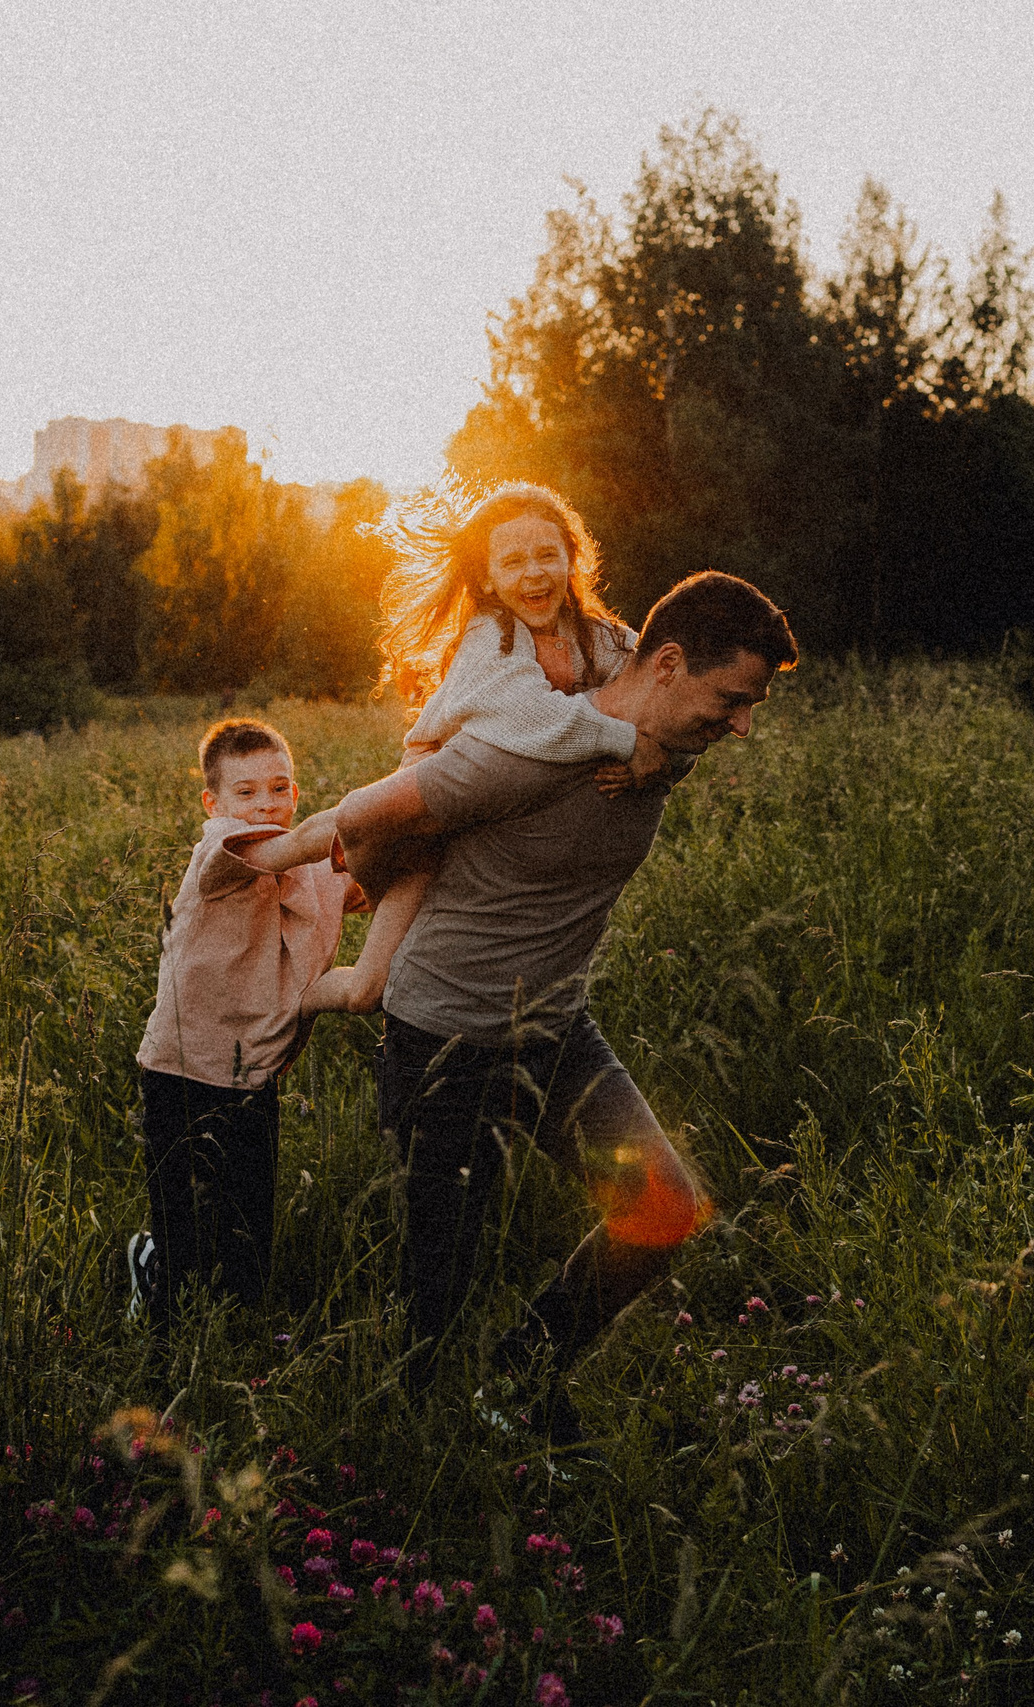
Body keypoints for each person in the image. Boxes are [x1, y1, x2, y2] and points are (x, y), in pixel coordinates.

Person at [333, 570, 799, 1440]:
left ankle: (522, 1373)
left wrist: (651, 748)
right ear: (670, 664)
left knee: (663, 1209)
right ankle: (421, 1460)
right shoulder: (522, 748)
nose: (742, 726)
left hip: (555, 1029)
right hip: (445, 1034)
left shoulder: (671, 739)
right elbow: (363, 820)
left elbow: (608, 645)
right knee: (438, 1293)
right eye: (733, 700)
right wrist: (380, 900)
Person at [301, 481, 669, 1016]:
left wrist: (658, 758)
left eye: (547, 555)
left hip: (493, 825)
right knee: (368, 990)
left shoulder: (602, 639)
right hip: (425, 817)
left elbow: (657, 690)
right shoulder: (491, 635)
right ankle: (300, 996)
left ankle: (323, 879)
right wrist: (625, 741)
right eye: (513, 562)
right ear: (489, 579)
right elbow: (528, 715)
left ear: (572, 559)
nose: (534, 572)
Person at [128, 717, 357, 1341]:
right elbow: (289, 848)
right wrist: (373, 814)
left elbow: (360, 879)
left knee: (247, 1235)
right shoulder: (221, 852)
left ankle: (243, 1342)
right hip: (180, 1070)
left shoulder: (309, 865)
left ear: (296, 793)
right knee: (183, 1237)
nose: (265, 804)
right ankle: (158, 1299)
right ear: (214, 804)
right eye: (246, 792)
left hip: (254, 1072)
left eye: (279, 789)